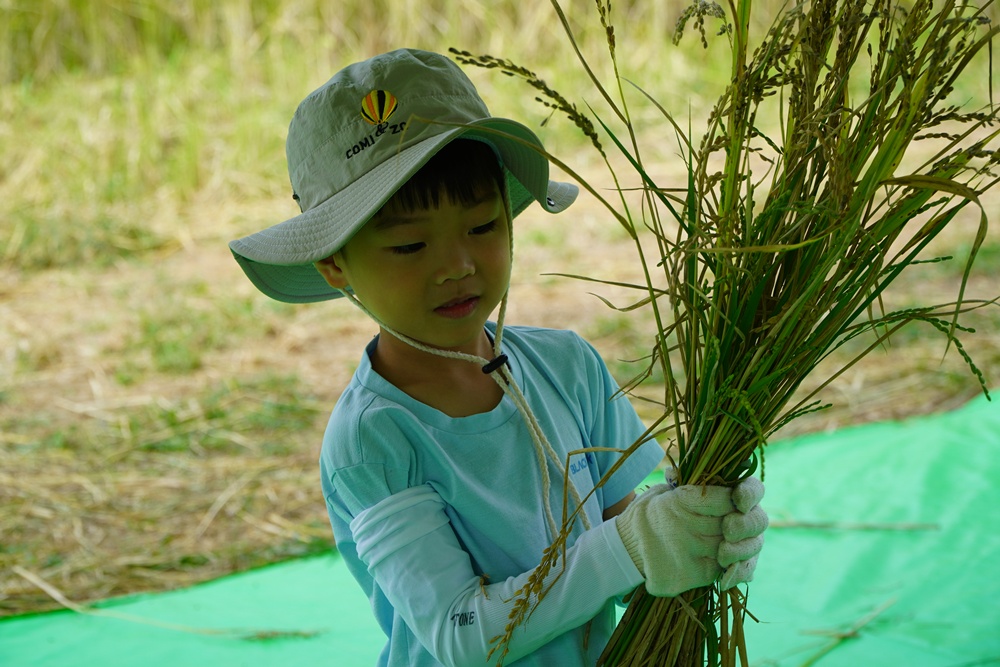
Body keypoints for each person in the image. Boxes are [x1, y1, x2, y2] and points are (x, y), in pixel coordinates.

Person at [229, 48, 767, 667]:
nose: (457, 266)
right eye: (409, 245)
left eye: (483, 227)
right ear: (334, 264)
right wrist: (628, 547)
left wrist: (698, 529)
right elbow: (464, 637)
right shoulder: (373, 441)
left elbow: (631, 527)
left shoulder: (567, 366)